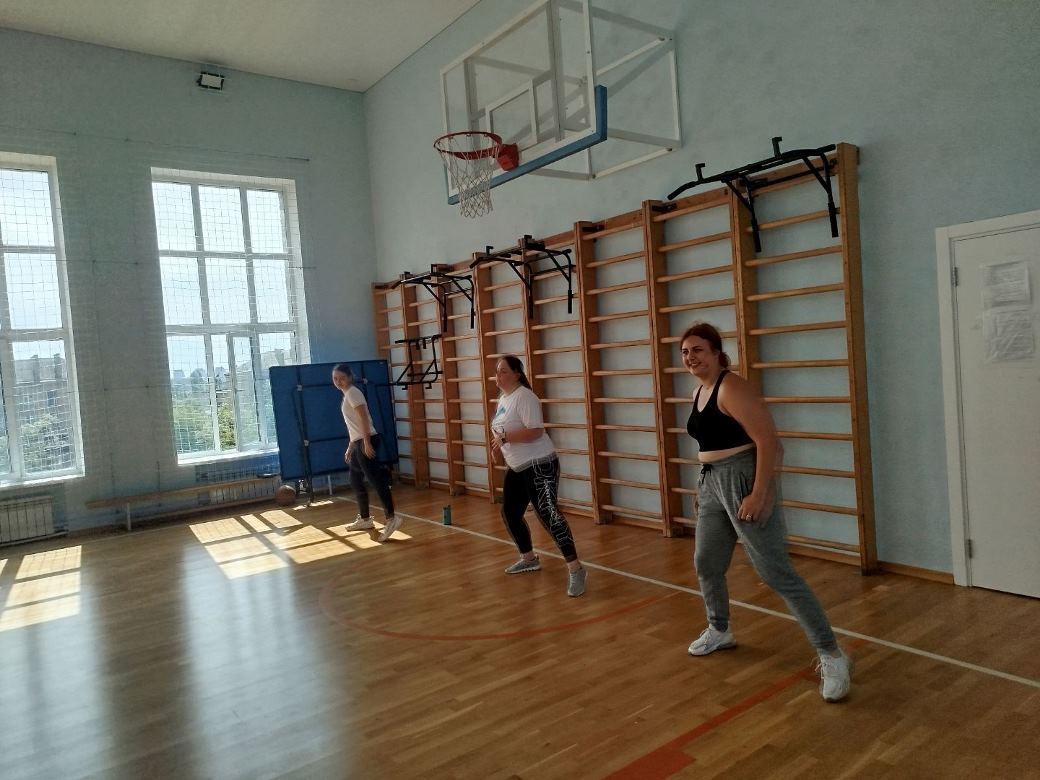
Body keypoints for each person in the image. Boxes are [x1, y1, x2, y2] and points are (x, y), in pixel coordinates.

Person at [680, 322, 851, 702]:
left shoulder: (731, 387)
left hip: (743, 479)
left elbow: (769, 441)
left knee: (776, 572)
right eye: (686, 352)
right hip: (711, 483)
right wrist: (703, 490)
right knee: (707, 562)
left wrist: (760, 493)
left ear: (716, 352)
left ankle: (832, 655)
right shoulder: (698, 392)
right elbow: (709, 445)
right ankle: (719, 629)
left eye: (698, 350)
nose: (691, 357)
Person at [490, 355, 587, 597]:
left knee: (548, 514)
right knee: (510, 512)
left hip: (539, 464)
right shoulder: (504, 398)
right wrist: (498, 447)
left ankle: (576, 569)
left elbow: (535, 431)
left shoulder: (525, 397)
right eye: (497, 371)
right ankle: (529, 559)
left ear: (516, 374)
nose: (498, 375)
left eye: (503, 371)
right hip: (517, 466)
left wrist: (505, 439)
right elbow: (503, 431)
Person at [332, 363, 401, 542]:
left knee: (376, 480)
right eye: (335, 378)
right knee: (355, 479)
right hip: (358, 441)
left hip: (366, 440)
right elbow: (353, 424)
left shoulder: (353, 393)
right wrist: (351, 446)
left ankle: (392, 518)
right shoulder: (347, 394)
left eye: (342, 378)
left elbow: (363, 417)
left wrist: (366, 442)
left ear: (350, 377)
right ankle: (365, 519)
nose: (338, 381)